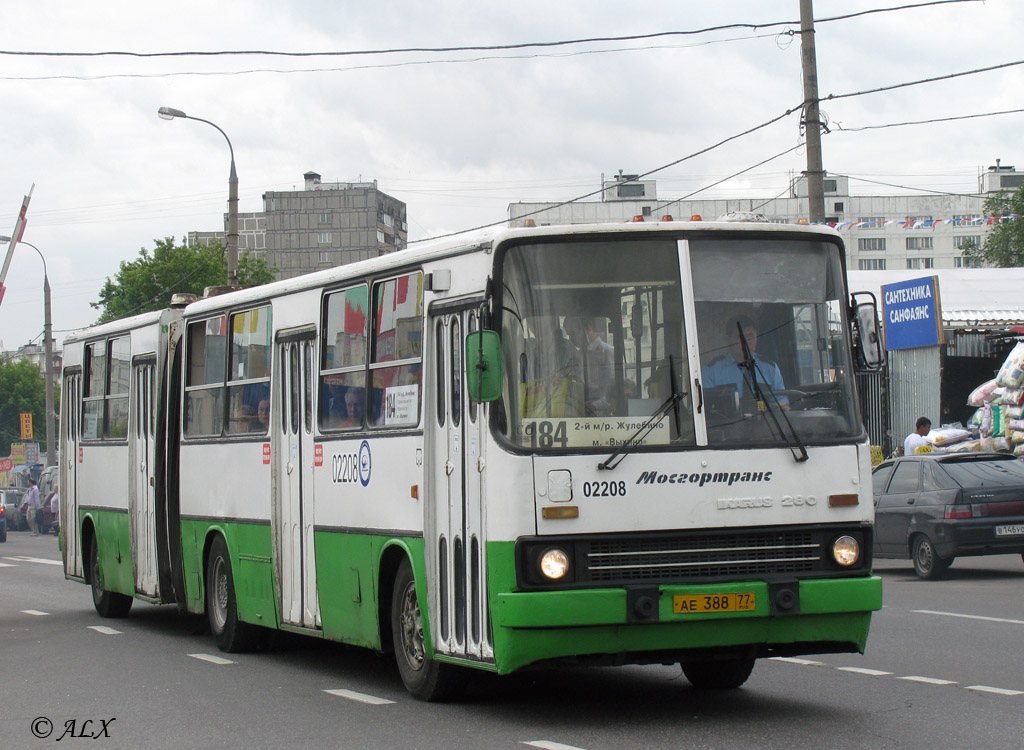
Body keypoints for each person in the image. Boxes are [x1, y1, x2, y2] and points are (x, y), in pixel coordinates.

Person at [701, 314, 789, 410]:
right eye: (740, 337)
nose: (746, 341)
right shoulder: (712, 371)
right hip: (727, 424)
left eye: (750, 336)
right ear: (727, 339)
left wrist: (765, 408)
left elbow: (783, 404)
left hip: (765, 423)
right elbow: (702, 410)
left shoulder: (770, 368)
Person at [565, 316, 616, 415]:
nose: (571, 339)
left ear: (588, 328)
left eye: (573, 333)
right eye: (569, 335)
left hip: (604, 417)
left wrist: (595, 405)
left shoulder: (608, 352)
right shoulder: (576, 356)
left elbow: (615, 390)